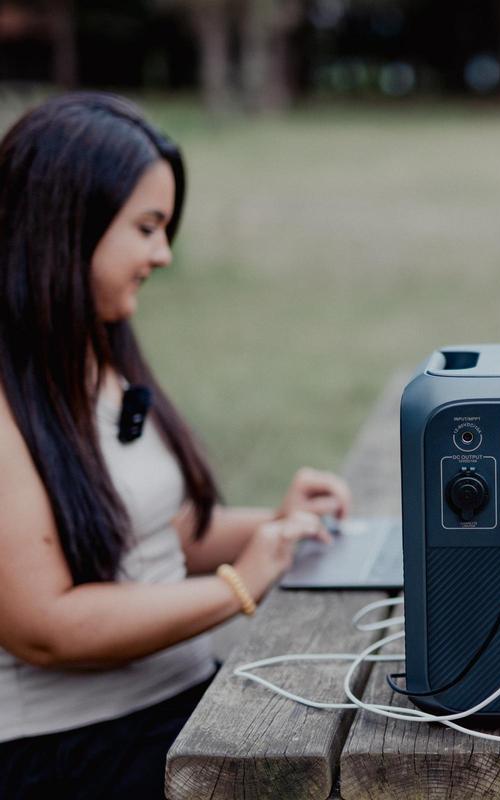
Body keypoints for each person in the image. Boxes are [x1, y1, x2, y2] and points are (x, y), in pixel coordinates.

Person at [0, 93, 351, 799]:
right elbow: (43, 628)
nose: (162, 254)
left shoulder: (98, 350)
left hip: (178, 708)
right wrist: (240, 583)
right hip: (71, 754)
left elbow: (159, 539)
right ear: (66, 226)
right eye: (148, 227)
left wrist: (279, 527)